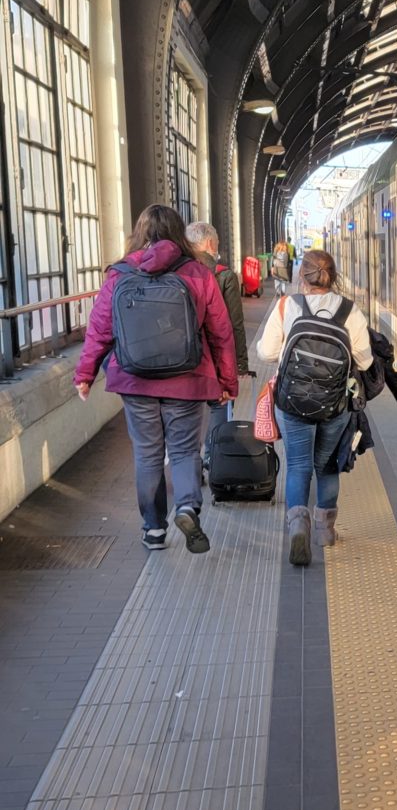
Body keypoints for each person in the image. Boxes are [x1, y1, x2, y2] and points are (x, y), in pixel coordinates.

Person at [74, 204, 238, 553]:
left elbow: (100, 330)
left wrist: (85, 374)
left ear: (139, 232)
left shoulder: (119, 275)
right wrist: (228, 383)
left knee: (148, 455)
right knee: (183, 451)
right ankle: (188, 508)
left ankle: (153, 530)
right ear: (180, 233)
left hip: (135, 381)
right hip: (189, 378)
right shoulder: (198, 273)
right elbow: (221, 333)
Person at [257, 248, 372, 565]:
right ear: (333, 277)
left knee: (297, 466)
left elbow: (266, 353)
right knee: (327, 466)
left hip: (293, 403)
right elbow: (364, 359)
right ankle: (325, 533)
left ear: (300, 275)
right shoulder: (350, 311)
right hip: (335, 405)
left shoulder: (286, 305)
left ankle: (298, 528)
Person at [187, 220, 251, 468]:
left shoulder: (178, 272)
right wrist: (240, 364)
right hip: (215, 358)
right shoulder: (223, 275)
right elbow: (234, 324)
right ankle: (213, 458)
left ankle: (189, 462)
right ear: (211, 244)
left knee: (187, 412)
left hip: (185, 357)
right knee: (219, 406)